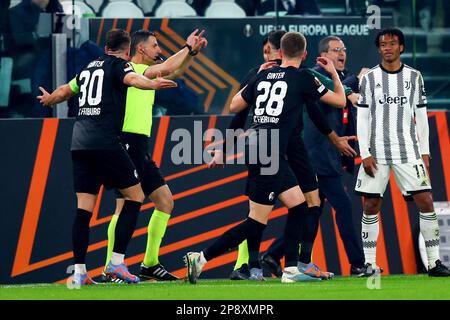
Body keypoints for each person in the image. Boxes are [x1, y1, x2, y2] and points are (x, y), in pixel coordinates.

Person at [185, 31, 347, 284]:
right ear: (304, 55)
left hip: (260, 147)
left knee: (298, 205)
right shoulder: (303, 77)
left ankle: (291, 269)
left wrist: (257, 78)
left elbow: (234, 106)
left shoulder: (263, 75)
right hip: (269, 152)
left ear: (280, 53)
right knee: (255, 221)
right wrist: (334, 74)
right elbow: (339, 100)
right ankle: (202, 257)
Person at [37, 29, 177, 285]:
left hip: (79, 144)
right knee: (135, 196)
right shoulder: (119, 66)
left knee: (83, 210)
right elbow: (134, 79)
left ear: (105, 47)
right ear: (127, 51)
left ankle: (79, 273)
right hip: (106, 142)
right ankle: (116, 264)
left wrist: (49, 99)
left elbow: (65, 91)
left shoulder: (89, 68)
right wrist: (153, 84)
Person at [102, 29, 207, 282]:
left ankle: (149, 264)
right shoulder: (129, 70)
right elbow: (170, 67)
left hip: (139, 146)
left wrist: (190, 55)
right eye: (155, 45)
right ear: (141, 49)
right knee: (122, 205)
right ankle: (111, 267)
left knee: (165, 202)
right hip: (126, 142)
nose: (159, 50)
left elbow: (176, 71)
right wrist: (187, 48)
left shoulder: (146, 72)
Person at [355, 27, 450, 277]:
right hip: (376, 152)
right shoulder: (370, 78)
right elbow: (362, 117)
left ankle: (433, 263)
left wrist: (425, 152)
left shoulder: (414, 76)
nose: (387, 47)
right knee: (371, 204)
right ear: (379, 49)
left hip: (408, 151)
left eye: (392, 43)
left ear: (401, 47)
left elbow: (420, 116)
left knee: (426, 201)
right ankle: (369, 264)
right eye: (383, 44)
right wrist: (364, 152)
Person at [302, 36, 369, 276]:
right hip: (317, 155)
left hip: (327, 156)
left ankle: (272, 256)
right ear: (323, 55)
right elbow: (337, 93)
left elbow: (344, 91)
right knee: (343, 206)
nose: (342, 53)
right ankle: (358, 264)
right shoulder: (313, 75)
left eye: (344, 49)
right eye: (336, 50)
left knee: (313, 210)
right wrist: (353, 85)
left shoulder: (338, 77)